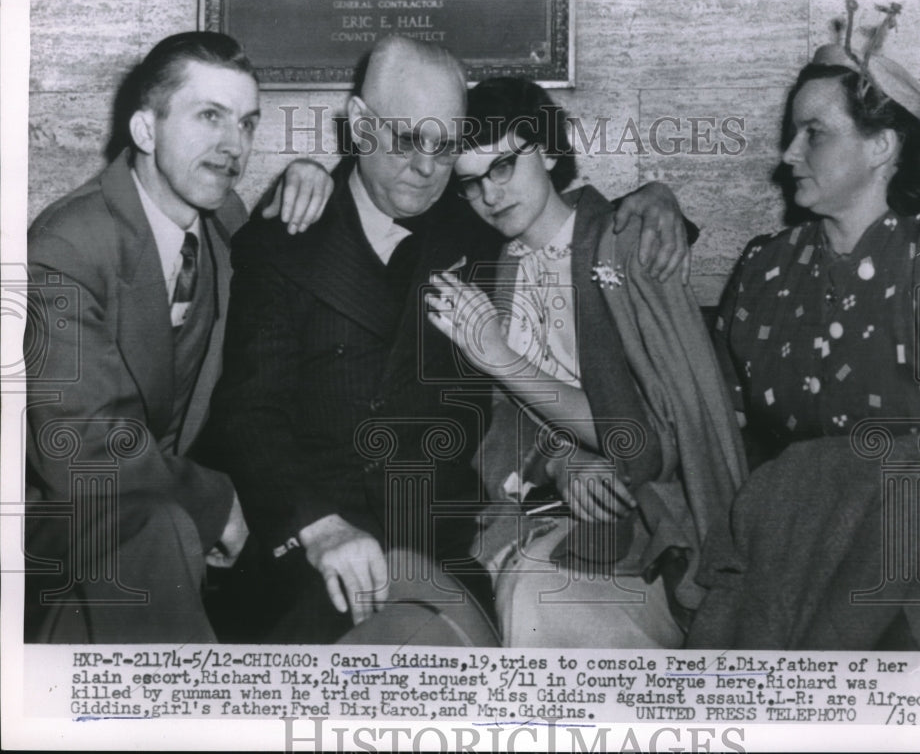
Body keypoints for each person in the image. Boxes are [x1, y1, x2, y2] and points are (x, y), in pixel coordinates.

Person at [210, 36, 693, 644]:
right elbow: (247, 413)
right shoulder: (282, 240)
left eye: (445, 147)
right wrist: (318, 526)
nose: (428, 167)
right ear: (360, 125)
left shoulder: (476, 225)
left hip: (444, 549)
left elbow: (561, 223)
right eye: (409, 139)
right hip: (317, 552)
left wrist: (653, 201)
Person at [686, 0, 920, 650]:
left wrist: (858, 500)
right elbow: (717, 424)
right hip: (786, 556)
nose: (788, 154)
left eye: (814, 133)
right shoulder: (764, 270)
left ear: (881, 145)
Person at [23, 31, 329, 643]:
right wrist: (217, 507)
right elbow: (83, 448)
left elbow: (273, 262)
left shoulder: (226, 221)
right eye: (209, 116)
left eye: (246, 123)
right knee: (160, 527)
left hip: (167, 510)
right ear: (144, 130)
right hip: (57, 519)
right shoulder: (65, 246)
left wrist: (311, 174)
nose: (232, 146)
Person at [425, 77, 746, 647]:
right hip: (537, 511)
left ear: (548, 148)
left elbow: (645, 441)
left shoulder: (626, 244)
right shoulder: (497, 268)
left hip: (651, 517)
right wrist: (558, 462)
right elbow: (498, 425)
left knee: (535, 603)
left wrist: (500, 356)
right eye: (470, 184)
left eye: (502, 166)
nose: (491, 196)